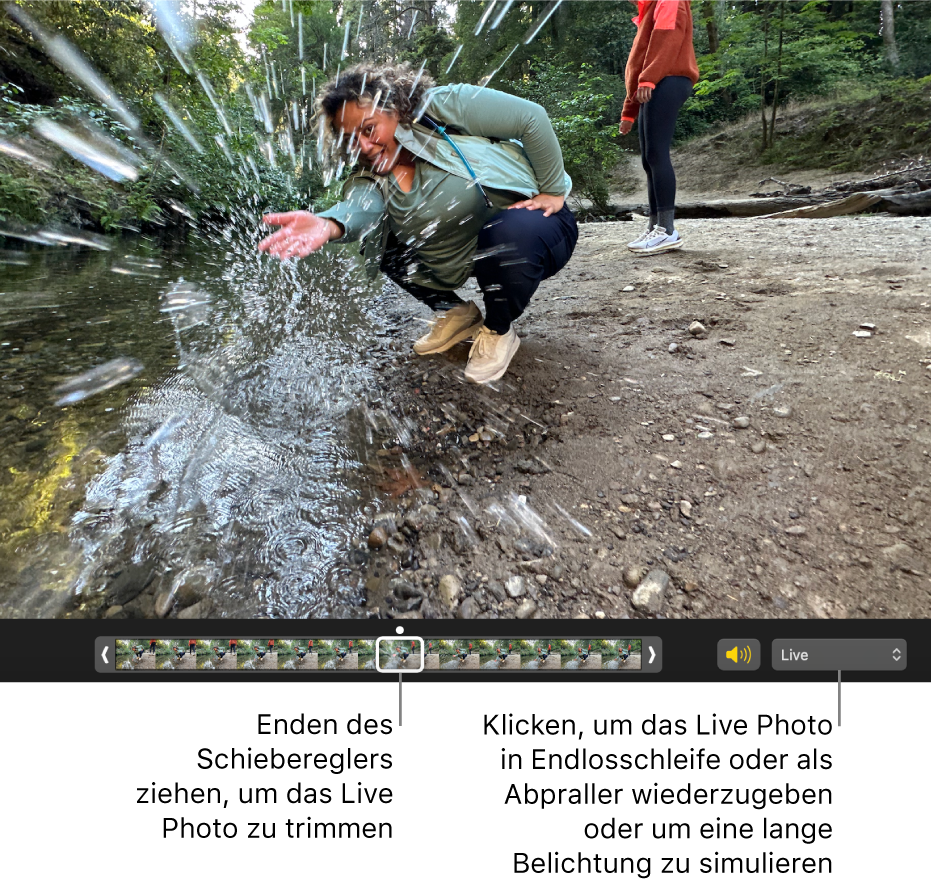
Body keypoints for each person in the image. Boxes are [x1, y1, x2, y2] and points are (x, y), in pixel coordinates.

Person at [258, 63, 578, 384]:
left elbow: (531, 118)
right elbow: (360, 208)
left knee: (506, 232)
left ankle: (497, 329)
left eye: (369, 129)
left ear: (394, 109)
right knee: (378, 243)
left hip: (538, 228)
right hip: (472, 251)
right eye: (350, 139)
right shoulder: (367, 176)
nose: (364, 147)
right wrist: (329, 224)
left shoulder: (442, 107)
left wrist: (552, 190)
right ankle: (455, 313)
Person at [619, 0, 698, 255]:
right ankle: (656, 226)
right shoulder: (648, 10)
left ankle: (666, 230)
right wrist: (629, 111)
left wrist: (650, 78)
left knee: (657, 155)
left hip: (668, 80)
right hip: (656, 82)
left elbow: (668, 36)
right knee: (648, 158)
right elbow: (639, 62)